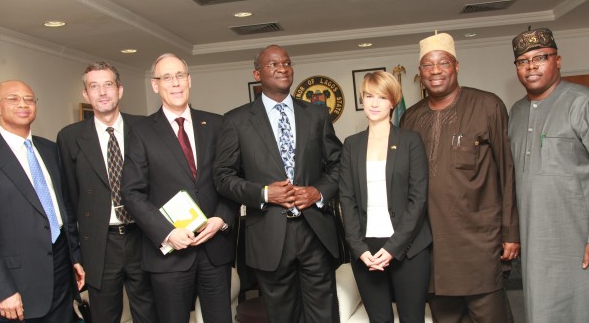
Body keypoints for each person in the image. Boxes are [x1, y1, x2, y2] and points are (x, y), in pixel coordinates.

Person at [508, 27, 589, 322]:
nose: (531, 66)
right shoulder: (516, 112)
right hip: (538, 248)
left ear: (558, 60)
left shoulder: (588, 104)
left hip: (585, 246)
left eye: (541, 57)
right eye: (523, 61)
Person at [213, 45, 343, 323]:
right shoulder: (236, 121)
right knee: (282, 316)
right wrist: (263, 193)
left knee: (324, 314)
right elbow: (223, 177)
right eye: (273, 65)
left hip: (315, 231)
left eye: (286, 62)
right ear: (257, 73)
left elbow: (338, 164)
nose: (282, 68)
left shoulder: (316, 115)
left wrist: (318, 191)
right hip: (269, 235)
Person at [399, 33, 520, 322]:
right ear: (420, 73)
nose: (436, 70)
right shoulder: (410, 118)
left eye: (443, 63)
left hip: (480, 242)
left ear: (456, 66)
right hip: (432, 246)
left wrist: (510, 233)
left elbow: (507, 173)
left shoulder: (488, 106)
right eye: (428, 65)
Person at [122, 53, 236, 323]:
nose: (175, 83)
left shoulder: (217, 124)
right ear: (155, 85)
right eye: (167, 77)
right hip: (169, 255)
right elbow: (132, 192)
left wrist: (221, 218)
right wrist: (167, 232)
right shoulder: (140, 131)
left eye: (180, 76)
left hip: (214, 250)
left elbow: (231, 180)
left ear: (189, 80)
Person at [0, 80, 85, 322]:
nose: (23, 104)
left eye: (29, 99)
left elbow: (64, 209)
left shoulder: (50, 149)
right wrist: (3, 291)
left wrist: (74, 257)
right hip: (18, 283)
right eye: (13, 99)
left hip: (61, 270)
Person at [57, 62, 157, 323]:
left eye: (108, 85)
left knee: (150, 314)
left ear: (120, 90)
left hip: (144, 237)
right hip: (100, 244)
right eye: (94, 86)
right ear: (86, 94)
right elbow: (68, 200)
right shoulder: (69, 137)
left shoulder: (146, 128)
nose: (102, 92)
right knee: (105, 317)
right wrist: (75, 253)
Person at [339, 71, 432, 322]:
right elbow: (346, 199)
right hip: (366, 249)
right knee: (379, 319)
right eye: (369, 96)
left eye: (381, 97)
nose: (374, 103)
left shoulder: (411, 141)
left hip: (409, 247)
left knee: (412, 317)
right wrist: (358, 248)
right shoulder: (351, 144)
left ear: (393, 101)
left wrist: (392, 248)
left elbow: (418, 199)